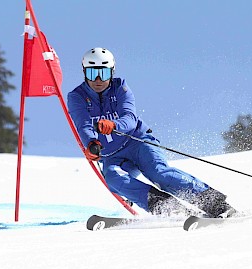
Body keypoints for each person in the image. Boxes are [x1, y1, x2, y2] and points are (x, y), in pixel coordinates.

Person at [67, 47, 236, 218]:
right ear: (84, 72)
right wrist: (91, 144)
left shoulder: (120, 88)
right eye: (92, 73)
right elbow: (83, 124)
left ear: (112, 71)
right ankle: (168, 208)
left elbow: (130, 118)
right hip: (112, 154)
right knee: (113, 179)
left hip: (138, 142)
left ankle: (216, 204)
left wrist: (115, 125)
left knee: (158, 173)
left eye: (103, 73)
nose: (97, 79)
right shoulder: (77, 96)